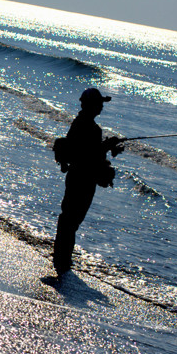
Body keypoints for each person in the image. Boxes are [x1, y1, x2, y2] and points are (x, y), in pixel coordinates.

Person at [52, 87, 123, 276]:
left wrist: (105, 147)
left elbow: (83, 150)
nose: (101, 107)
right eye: (99, 104)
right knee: (71, 220)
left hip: (75, 176)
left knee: (68, 218)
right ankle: (62, 261)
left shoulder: (80, 122)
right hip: (83, 180)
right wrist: (106, 147)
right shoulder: (91, 128)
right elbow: (89, 156)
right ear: (92, 105)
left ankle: (61, 259)